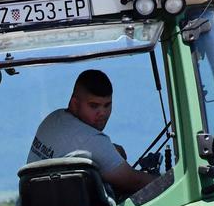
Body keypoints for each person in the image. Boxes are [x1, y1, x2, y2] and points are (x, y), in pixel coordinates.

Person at [27, 69, 156, 194]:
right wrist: (170, 183)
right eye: (94, 106)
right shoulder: (92, 140)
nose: (103, 113)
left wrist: (112, 150)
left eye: (107, 105)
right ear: (75, 104)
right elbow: (136, 181)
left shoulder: (53, 120)